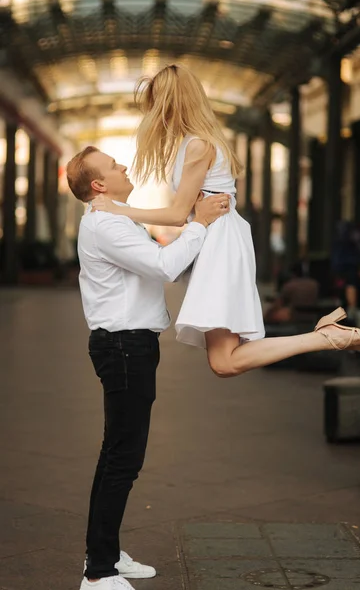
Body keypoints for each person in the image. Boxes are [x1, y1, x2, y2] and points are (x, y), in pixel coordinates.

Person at [92, 64, 360, 375]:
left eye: (157, 105)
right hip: (220, 242)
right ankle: (323, 336)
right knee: (224, 361)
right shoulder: (197, 141)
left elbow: (176, 214)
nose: (155, 115)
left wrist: (119, 209)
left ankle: (324, 337)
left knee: (225, 361)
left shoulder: (199, 145)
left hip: (221, 245)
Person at [66, 146, 231, 590]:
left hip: (130, 346)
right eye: (114, 166)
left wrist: (194, 225)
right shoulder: (106, 226)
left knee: (116, 454)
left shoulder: (117, 219)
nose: (123, 166)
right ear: (98, 185)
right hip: (123, 348)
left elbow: (160, 259)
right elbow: (164, 267)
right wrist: (199, 223)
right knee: (123, 457)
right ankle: (99, 574)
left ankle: (105, 554)